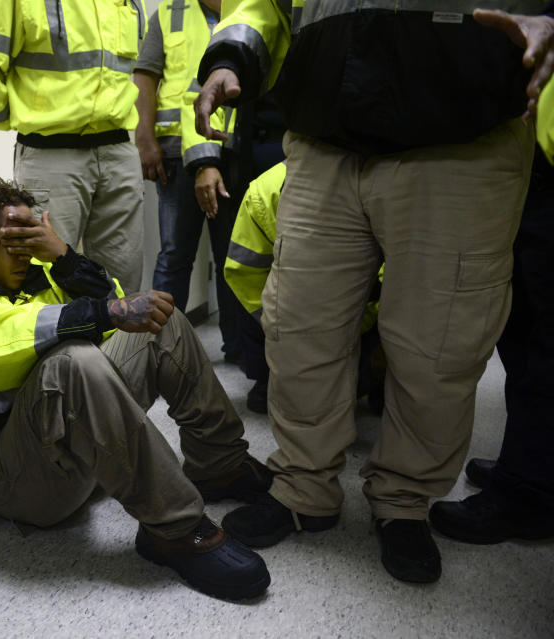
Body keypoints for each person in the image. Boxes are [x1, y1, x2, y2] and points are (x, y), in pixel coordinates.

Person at [193, 0, 545, 584]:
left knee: (440, 346)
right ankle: (304, 487)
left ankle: (403, 501)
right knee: (298, 328)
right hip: (324, 138)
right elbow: (265, 7)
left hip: (462, 136)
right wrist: (230, 57)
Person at [0, 176, 273, 602]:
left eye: (31, 239)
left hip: (75, 450)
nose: (26, 253)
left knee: (159, 317)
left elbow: (118, 306)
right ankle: (173, 530)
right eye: (14, 241)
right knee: (73, 360)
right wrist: (101, 312)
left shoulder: (38, 274)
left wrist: (63, 257)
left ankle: (219, 465)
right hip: (15, 482)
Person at [429, 8, 554, 546]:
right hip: (534, 146)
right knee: (522, 318)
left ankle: (529, 493)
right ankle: (526, 464)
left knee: (546, 333)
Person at [0, 0, 148, 292]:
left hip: (118, 150)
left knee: (124, 281)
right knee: (47, 280)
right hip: (51, 153)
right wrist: (25, 119)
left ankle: (122, 340)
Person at [223, 162, 385, 414]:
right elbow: (244, 272)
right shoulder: (267, 190)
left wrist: (356, 326)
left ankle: (376, 380)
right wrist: (276, 323)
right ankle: (268, 379)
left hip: (361, 314)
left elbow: (398, 279)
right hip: (288, 314)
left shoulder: (384, 185)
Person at [133, 0, 245, 363]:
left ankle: (239, 346)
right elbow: (145, 77)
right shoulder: (166, 14)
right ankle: (162, 349)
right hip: (175, 152)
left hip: (233, 151)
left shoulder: (247, 10)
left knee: (233, 254)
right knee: (175, 254)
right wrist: (145, 138)